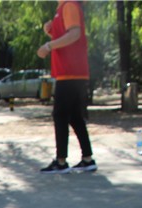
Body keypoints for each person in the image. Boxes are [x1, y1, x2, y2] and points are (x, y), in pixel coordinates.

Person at [37, 0, 97, 173]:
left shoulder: (69, 5)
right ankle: (87, 159)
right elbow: (67, 38)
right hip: (74, 71)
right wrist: (52, 32)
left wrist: (49, 45)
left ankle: (61, 161)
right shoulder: (64, 7)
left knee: (60, 115)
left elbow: (75, 34)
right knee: (75, 117)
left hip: (70, 71)